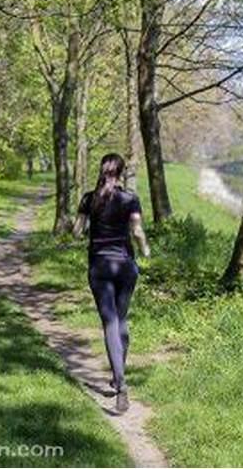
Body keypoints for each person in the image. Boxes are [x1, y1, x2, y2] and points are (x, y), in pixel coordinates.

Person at [73, 153, 151, 413]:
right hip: (126, 267)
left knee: (110, 323)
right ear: (121, 172)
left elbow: (77, 231)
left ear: (102, 170)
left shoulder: (89, 198)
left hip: (99, 267)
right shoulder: (130, 199)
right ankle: (119, 375)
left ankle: (120, 382)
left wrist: (82, 225)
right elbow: (137, 231)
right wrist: (146, 251)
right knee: (121, 321)